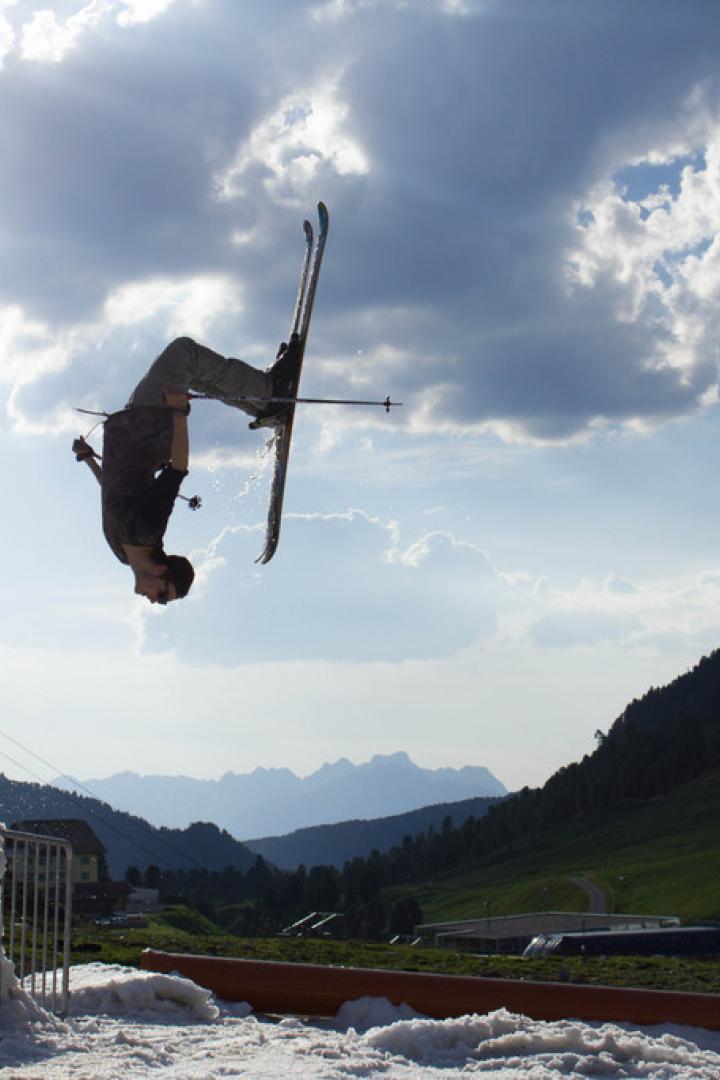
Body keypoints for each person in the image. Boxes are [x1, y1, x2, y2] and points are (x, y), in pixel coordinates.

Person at [72, 335, 298, 604]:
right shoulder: (149, 530)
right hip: (151, 425)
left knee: (194, 374)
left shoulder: (122, 553)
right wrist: (179, 413)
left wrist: (89, 460)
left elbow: (112, 492)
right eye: (163, 594)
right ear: (161, 570)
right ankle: (270, 392)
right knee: (184, 353)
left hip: (134, 422)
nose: (155, 600)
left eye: (161, 598)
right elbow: (178, 469)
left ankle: (265, 404)